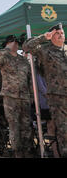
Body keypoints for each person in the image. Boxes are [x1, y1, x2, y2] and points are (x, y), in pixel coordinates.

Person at [23, 23, 66, 157]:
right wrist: (43, 37)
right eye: (57, 33)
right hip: (58, 98)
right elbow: (26, 47)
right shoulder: (45, 50)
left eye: (62, 33)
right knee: (64, 130)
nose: (60, 35)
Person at [0, 35, 33, 158]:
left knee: (27, 125)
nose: (16, 44)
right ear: (8, 43)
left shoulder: (23, 60)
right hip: (10, 97)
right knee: (14, 126)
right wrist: (7, 48)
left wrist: (31, 95)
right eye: (13, 42)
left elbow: (29, 79)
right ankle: (18, 153)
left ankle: (28, 151)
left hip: (25, 96)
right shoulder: (3, 56)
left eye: (16, 43)